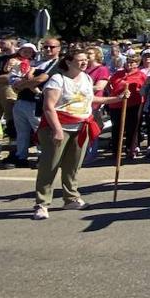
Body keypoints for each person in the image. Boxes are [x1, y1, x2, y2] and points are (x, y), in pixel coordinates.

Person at [32, 47, 99, 219]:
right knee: (50, 165)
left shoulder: (87, 78)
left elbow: (89, 99)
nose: (84, 62)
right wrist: (57, 130)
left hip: (81, 125)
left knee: (73, 166)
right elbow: (49, 107)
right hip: (59, 126)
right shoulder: (57, 79)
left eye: (86, 59)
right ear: (69, 62)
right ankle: (42, 203)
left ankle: (71, 198)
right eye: (80, 59)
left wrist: (117, 98)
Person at [10, 39, 61, 169]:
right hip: (22, 100)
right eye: (45, 47)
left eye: (52, 47)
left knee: (40, 131)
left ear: (58, 48)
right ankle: (21, 156)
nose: (48, 49)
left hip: (38, 102)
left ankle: (43, 156)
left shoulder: (57, 63)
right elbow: (17, 77)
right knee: (22, 132)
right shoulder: (34, 62)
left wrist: (21, 85)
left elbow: (41, 79)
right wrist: (20, 84)